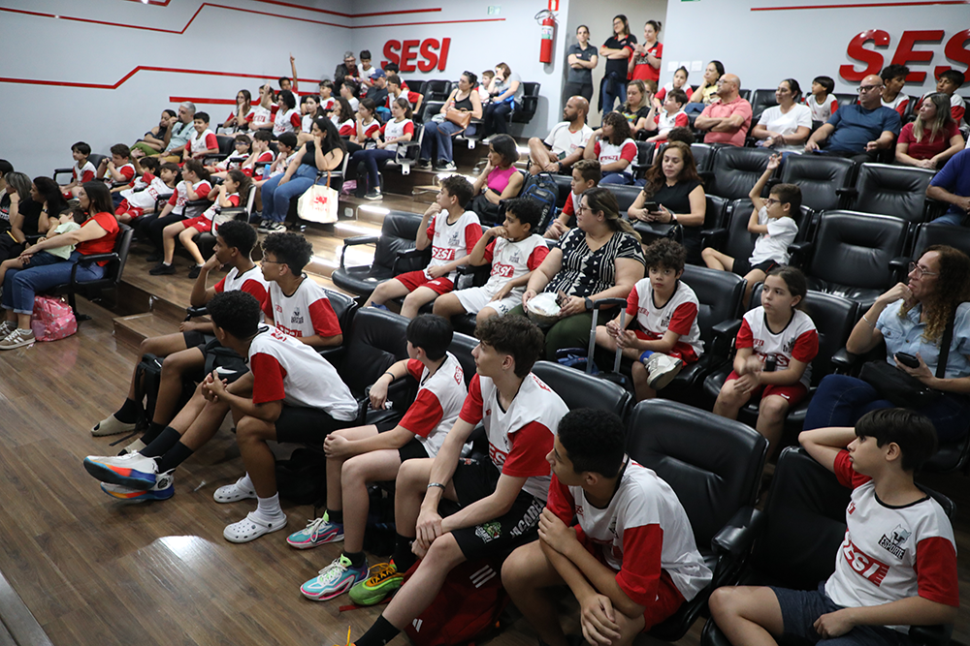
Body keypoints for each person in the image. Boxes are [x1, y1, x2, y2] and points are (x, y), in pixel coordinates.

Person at [336, 315, 568, 645]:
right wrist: (430, 507)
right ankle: (402, 564)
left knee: (442, 546)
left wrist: (437, 528)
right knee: (411, 471)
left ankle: (367, 643)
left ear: (506, 361)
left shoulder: (536, 420)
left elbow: (502, 501)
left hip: (530, 500)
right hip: (498, 474)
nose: (473, 352)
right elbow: (454, 440)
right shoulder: (487, 380)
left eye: (483, 347)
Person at [85, 290, 358, 531]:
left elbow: (269, 414)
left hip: (335, 417)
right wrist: (225, 390)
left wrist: (226, 393)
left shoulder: (261, 349)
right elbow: (256, 378)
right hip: (322, 404)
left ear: (222, 333)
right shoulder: (262, 335)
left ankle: (270, 514)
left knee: (249, 427)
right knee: (229, 392)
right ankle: (156, 465)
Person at [710, 409, 958, 646]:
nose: (850, 444)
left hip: (878, 629)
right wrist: (872, 428)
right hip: (825, 601)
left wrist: (851, 616)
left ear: (891, 451)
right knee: (724, 601)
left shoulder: (928, 522)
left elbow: (940, 607)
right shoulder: (863, 481)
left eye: (861, 439)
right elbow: (808, 438)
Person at [289, 315, 469, 600]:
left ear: (418, 348)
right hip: (417, 433)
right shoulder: (440, 358)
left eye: (409, 343)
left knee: (352, 467)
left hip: (431, 449)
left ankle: (353, 563)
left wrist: (350, 451)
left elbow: (398, 438)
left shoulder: (438, 388)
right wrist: (384, 380)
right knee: (338, 439)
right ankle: (335, 521)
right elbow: (404, 364)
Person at [503, 409, 712, 646]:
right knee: (514, 570)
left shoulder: (643, 499)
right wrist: (585, 594)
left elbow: (633, 604)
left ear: (590, 479)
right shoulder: (572, 471)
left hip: (666, 575)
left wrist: (571, 547)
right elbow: (550, 535)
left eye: (558, 457)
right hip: (606, 548)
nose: (549, 458)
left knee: (609, 632)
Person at [90, 221, 266, 450]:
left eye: (218, 245)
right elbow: (199, 300)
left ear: (233, 251)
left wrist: (198, 327)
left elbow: (236, 329)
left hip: (233, 346)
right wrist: (204, 269)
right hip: (218, 334)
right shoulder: (235, 273)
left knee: (172, 363)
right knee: (148, 345)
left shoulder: (254, 283)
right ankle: (130, 411)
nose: (214, 249)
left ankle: (156, 431)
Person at [804, 245, 970, 443]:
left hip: (941, 399)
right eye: (914, 267)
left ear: (945, 282)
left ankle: (826, 464)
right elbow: (855, 347)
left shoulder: (963, 315)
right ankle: (815, 463)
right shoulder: (901, 307)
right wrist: (879, 303)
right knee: (833, 383)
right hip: (895, 387)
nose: (912, 275)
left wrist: (934, 382)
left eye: (923, 271)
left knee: (871, 414)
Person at [517, 187, 645, 360]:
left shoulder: (625, 244)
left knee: (561, 334)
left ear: (600, 215)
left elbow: (627, 287)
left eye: (583, 208)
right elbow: (544, 271)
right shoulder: (573, 235)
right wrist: (532, 290)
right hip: (552, 300)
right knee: (512, 323)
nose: (577, 212)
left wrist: (585, 303)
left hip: (594, 309)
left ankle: (547, 379)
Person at [712, 267, 819, 456]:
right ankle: (718, 452)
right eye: (765, 289)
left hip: (787, 378)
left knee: (772, 408)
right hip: (755, 373)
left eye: (778, 292)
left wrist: (760, 377)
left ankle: (756, 466)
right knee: (728, 394)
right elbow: (739, 361)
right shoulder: (752, 318)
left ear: (794, 300)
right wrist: (746, 367)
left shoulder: (805, 328)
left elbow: (794, 374)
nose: (768, 296)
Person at [0, 182, 119, 350]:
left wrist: (39, 246)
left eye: (82, 195)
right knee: (11, 273)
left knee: (23, 278)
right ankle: (11, 323)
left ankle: (24, 331)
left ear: (94, 199)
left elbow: (74, 237)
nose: (78, 198)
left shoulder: (105, 218)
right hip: (74, 261)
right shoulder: (89, 217)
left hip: (87, 266)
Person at [596, 239, 703, 401]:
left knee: (639, 368)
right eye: (654, 270)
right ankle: (653, 358)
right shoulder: (641, 287)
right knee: (598, 331)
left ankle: (644, 413)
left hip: (679, 348)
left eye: (666, 272)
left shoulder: (686, 301)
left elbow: (667, 344)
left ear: (678, 273)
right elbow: (621, 321)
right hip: (647, 340)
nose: (658, 277)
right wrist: (614, 327)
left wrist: (636, 344)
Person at [363, 176, 481, 319]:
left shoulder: (470, 219)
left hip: (451, 277)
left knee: (411, 300)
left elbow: (473, 257)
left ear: (453, 199)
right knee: (382, 289)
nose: (437, 196)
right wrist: (426, 217)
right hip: (429, 272)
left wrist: (443, 269)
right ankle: (360, 326)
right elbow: (420, 246)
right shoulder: (440, 216)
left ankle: (403, 341)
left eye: (442, 193)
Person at [702, 154, 801, 305]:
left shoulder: (787, 223)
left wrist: (759, 207)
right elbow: (753, 194)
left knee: (744, 286)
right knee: (707, 252)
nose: (768, 204)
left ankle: (742, 314)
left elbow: (752, 227)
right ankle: (723, 285)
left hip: (771, 264)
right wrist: (769, 170)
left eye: (772, 201)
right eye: (768, 200)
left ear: (786, 207)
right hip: (753, 263)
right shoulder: (770, 217)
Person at [433, 198, 549, 325]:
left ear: (526, 227)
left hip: (513, 297)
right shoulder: (500, 240)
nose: (504, 223)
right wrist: (487, 234)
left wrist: (512, 283)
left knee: (484, 316)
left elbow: (541, 271)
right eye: (505, 218)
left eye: (510, 221)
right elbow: (474, 261)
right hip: (487, 291)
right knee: (441, 303)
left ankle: (479, 345)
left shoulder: (536, 243)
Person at [155, 170, 249, 278]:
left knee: (184, 236)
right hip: (203, 217)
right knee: (168, 230)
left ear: (236, 184)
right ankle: (167, 264)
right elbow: (209, 197)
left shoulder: (235, 196)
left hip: (214, 222)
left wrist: (222, 191)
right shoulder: (226, 193)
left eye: (227, 180)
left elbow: (224, 204)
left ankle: (201, 264)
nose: (223, 183)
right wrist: (215, 190)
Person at [627, 141, 707, 264]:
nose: (669, 165)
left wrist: (671, 217)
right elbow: (632, 210)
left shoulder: (694, 186)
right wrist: (640, 213)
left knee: (639, 253)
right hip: (651, 234)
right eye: (666, 160)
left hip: (680, 238)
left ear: (685, 164)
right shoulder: (654, 183)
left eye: (675, 161)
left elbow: (699, 217)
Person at [260, 117, 346, 231]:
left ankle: (278, 221)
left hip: (313, 178)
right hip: (297, 172)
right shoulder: (308, 145)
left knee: (281, 192)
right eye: (312, 130)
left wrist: (318, 147)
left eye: (316, 131)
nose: (313, 133)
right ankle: (267, 218)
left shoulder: (336, 150)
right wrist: (287, 175)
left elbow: (323, 167)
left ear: (325, 132)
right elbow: (296, 161)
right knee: (267, 186)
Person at [259, 232, 343, 348]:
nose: (261, 263)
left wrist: (289, 340)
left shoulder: (310, 292)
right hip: (282, 349)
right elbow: (268, 315)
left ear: (283, 269)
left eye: (266, 259)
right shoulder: (275, 283)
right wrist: (274, 334)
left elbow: (335, 338)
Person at [805, 74, 901, 163]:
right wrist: (812, 140)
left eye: (869, 88)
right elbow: (824, 130)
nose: (863, 91)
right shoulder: (845, 109)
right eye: (861, 88)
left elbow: (887, 138)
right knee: (804, 158)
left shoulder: (891, 114)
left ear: (881, 90)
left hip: (859, 154)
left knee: (856, 164)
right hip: (831, 151)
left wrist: (877, 143)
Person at [144, 160, 212, 263]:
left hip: (188, 215)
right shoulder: (181, 184)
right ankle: (160, 249)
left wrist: (189, 184)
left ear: (192, 174)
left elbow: (192, 197)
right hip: (176, 211)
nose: (182, 173)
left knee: (156, 226)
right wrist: (161, 217)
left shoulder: (204, 185)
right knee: (145, 223)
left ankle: (163, 253)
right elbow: (171, 202)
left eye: (184, 170)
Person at [349, 97, 414, 201]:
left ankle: (376, 189)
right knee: (357, 154)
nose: (393, 110)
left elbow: (407, 137)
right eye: (392, 107)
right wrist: (379, 140)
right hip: (385, 151)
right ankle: (355, 184)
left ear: (404, 110)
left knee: (369, 154)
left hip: (396, 152)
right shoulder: (390, 122)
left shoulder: (407, 122)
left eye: (396, 108)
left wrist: (387, 142)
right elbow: (376, 133)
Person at [419, 71, 483, 172]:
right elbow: (443, 109)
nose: (460, 83)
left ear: (471, 84)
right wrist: (448, 112)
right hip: (448, 120)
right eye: (460, 80)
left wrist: (459, 112)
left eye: (463, 82)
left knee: (443, 128)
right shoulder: (455, 92)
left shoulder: (473, 94)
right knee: (427, 127)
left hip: (465, 124)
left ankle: (447, 161)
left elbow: (478, 114)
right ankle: (425, 158)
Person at [0, 209, 81, 287]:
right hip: (53, 257)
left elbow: (49, 235)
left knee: (5, 264)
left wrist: (55, 224)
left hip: (47, 256)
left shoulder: (70, 225)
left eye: (60, 217)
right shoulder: (76, 229)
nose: (59, 220)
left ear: (70, 215)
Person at [896, 93, 965, 169]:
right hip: (912, 167)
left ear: (939, 110)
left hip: (936, 168)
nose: (921, 109)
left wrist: (936, 158)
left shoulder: (949, 126)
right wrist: (918, 163)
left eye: (927, 106)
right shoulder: (909, 127)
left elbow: (959, 146)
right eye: (922, 105)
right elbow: (899, 154)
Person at [527, 96, 593, 176]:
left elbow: (577, 154)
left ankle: (548, 169)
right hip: (550, 161)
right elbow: (544, 147)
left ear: (580, 112)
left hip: (566, 166)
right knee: (533, 141)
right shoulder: (560, 126)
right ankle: (548, 169)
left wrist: (558, 164)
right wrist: (549, 153)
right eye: (566, 106)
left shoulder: (588, 132)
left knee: (535, 169)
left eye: (569, 107)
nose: (565, 109)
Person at [468, 134, 524, 223]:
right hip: (477, 209)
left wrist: (485, 189)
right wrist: (485, 172)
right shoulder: (491, 169)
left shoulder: (516, 176)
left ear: (503, 155)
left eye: (492, 152)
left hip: (490, 215)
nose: (489, 155)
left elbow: (500, 202)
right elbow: (470, 193)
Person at [751, 79, 813, 153]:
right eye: (778, 89)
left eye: (783, 91)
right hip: (768, 147)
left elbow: (802, 136)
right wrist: (771, 133)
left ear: (794, 94)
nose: (778, 93)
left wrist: (775, 140)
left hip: (790, 150)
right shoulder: (769, 111)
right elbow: (755, 131)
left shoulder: (804, 110)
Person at [545, 159, 600, 241]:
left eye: (576, 179)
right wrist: (554, 228)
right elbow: (561, 220)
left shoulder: (600, 200)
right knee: (549, 233)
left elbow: (594, 235)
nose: (571, 183)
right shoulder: (574, 194)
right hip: (576, 235)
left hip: (594, 242)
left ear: (590, 183)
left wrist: (567, 230)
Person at [695, 74, 753, 148]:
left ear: (733, 87)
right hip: (708, 146)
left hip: (730, 148)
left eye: (722, 82)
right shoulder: (713, 105)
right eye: (718, 82)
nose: (718, 85)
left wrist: (710, 126)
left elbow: (733, 123)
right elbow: (698, 123)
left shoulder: (743, 104)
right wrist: (723, 120)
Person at [114, 161, 179, 224]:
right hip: (130, 201)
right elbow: (140, 170)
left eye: (165, 172)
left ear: (174, 173)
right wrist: (134, 158)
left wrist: (153, 210)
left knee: (125, 218)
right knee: (116, 218)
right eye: (161, 172)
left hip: (141, 209)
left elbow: (170, 208)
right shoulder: (156, 180)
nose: (162, 174)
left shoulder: (175, 192)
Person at [583, 111, 637, 185]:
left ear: (617, 127)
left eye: (608, 124)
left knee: (601, 185)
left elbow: (621, 165)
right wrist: (593, 135)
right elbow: (587, 158)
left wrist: (599, 168)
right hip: (602, 173)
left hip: (622, 174)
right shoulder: (602, 143)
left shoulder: (628, 143)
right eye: (604, 123)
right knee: (583, 182)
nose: (603, 126)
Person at [599, 15, 637, 114]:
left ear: (625, 23)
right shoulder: (611, 40)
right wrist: (618, 52)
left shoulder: (631, 38)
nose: (615, 26)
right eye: (614, 24)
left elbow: (625, 53)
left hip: (623, 80)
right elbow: (602, 51)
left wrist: (610, 55)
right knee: (606, 109)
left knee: (626, 108)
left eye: (618, 23)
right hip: (609, 79)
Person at [928, 149, 970, 225]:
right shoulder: (964, 156)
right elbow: (931, 189)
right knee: (933, 228)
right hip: (960, 215)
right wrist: (960, 201)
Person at [482, 63, 523, 138]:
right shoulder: (501, 84)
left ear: (503, 69)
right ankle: (490, 134)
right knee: (489, 109)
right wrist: (494, 78)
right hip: (503, 103)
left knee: (498, 111)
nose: (496, 73)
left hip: (514, 102)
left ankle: (503, 136)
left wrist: (500, 98)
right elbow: (490, 91)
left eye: (497, 71)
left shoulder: (513, 75)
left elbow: (513, 89)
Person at [563, 25, 597, 104]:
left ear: (588, 35)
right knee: (570, 109)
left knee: (583, 110)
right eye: (580, 33)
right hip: (573, 83)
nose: (582, 34)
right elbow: (573, 64)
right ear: (577, 36)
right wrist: (588, 64)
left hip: (587, 84)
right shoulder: (573, 48)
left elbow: (593, 64)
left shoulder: (593, 49)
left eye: (584, 32)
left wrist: (578, 60)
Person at [629, 20, 662, 85]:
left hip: (650, 84)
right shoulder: (639, 47)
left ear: (656, 32)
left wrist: (645, 52)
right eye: (645, 31)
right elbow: (630, 69)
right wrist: (634, 57)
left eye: (649, 31)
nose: (647, 34)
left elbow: (657, 65)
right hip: (637, 82)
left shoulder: (660, 46)